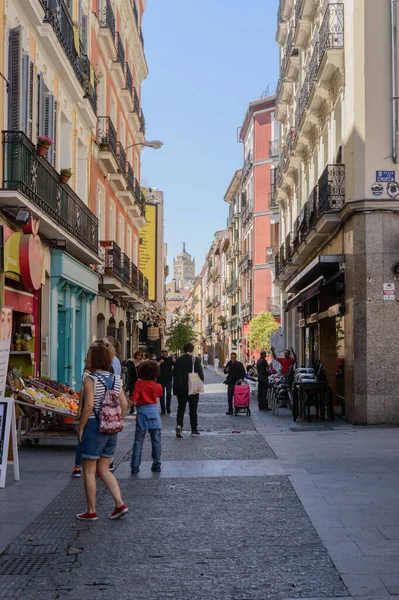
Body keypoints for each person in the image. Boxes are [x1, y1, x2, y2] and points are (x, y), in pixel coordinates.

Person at [76, 343, 128, 521]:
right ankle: (119, 503)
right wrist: (115, 419)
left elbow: (89, 405)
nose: (85, 359)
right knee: (105, 470)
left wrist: (81, 426)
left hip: (93, 427)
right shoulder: (115, 379)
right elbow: (125, 404)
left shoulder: (90, 379)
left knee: (89, 471)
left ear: (95, 359)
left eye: (88, 356)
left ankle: (91, 511)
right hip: (111, 429)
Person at [130, 361, 163, 474]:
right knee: (156, 440)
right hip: (154, 412)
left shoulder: (139, 384)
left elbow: (133, 398)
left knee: (138, 440)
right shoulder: (158, 386)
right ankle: (156, 464)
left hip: (142, 413)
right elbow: (159, 395)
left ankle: (135, 466)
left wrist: (124, 409)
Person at [173, 342, 204, 438]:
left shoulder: (178, 360)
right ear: (192, 349)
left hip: (181, 388)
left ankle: (179, 425)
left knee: (181, 408)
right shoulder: (195, 360)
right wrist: (200, 383)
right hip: (193, 388)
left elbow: (173, 372)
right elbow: (200, 373)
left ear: (184, 349)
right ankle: (194, 430)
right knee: (193, 409)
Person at [157, 348, 174, 415]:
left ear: (167, 352)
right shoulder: (159, 358)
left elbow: (176, 365)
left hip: (169, 379)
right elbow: (154, 366)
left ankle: (168, 407)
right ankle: (163, 409)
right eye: (162, 351)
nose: (164, 352)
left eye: (165, 351)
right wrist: (159, 363)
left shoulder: (170, 359)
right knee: (161, 395)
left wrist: (175, 361)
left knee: (169, 394)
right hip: (160, 380)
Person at [126, 350, 143, 415]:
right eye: (139, 355)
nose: (140, 356)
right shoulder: (131, 362)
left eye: (141, 355)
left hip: (139, 381)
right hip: (132, 381)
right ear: (136, 355)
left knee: (139, 395)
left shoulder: (142, 363)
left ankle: (138, 408)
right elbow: (123, 364)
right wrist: (128, 360)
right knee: (131, 394)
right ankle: (132, 409)